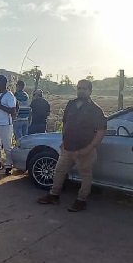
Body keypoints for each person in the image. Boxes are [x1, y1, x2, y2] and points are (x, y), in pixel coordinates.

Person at [37, 80, 106, 212]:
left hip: (84, 150)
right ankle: (54, 195)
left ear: (90, 91)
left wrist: (90, 148)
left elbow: (101, 131)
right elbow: (66, 123)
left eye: (84, 89)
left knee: (86, 175)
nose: (81, 91)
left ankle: (81, 201)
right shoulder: (71, 104)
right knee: (59, 171)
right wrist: (64, 141)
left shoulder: (95, 110)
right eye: (79, 88)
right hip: (68, 148)